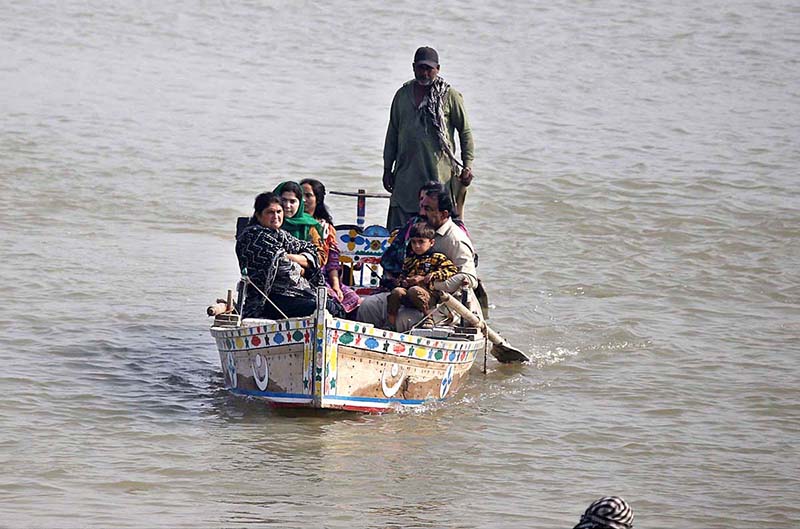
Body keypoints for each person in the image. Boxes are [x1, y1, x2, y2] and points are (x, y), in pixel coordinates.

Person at [358, 182, 478, 331]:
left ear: (444, 214)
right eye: (421, 207)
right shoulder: (418, 230)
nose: (421, 213)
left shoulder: (455, 240)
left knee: (404, 320)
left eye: (428, 209)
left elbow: (470, 279)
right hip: (409, 294)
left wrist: (430, 283)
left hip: (443, 304)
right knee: (368, 307)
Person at [382, 46, 475, 231]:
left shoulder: (449, 96)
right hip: (405, 176)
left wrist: (468, 165)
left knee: (436, 229)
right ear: (413, 67)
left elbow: (465, 132)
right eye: (421, 67)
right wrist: (387, 168)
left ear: (438, 69)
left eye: (429, 69)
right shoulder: (402, 95)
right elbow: (392, 132)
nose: (424, 73)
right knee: (398, 232)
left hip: (438, 175)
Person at [235, 191, 345, 320]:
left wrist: (289, 257)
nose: (276, 216)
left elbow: (312, 251)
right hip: (266, 299)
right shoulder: (253, 236)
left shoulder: (282, 235)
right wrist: (304, 265)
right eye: (270, 212)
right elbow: (284, 269)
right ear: (259, 215)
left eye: (279, 212)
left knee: (335, 306)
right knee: (321, 306)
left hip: (293, 294)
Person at [299, 178, 362, 315]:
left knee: (353, 298)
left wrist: (336, 286)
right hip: (305, 275)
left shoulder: (325, 227)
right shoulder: (291, 224)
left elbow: (332, 262)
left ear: (318, 200)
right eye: (300, 195)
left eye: (308, 195)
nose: (304, 200)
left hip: (324, 277)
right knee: (328, 299)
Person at [386, 221, 458, 329]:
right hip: (409, 294)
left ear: (431, 242)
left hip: (429, 295)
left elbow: (452, 270)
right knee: (397, 292)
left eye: (421, 242)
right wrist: (403, 281)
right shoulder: (409, 259)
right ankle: (390, 323)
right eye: (413, 242)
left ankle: (428, 317)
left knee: (415, 289)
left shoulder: (437, 257)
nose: (417, 246)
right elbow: (403, 275)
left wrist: (430, 276)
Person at [273, 181, 327, 266]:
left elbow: (321, 257)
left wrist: (289, 258)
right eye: (283, 200)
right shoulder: (268, 222)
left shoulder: (308, 226)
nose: (287, 205)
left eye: (292, 201)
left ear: (300, 203)